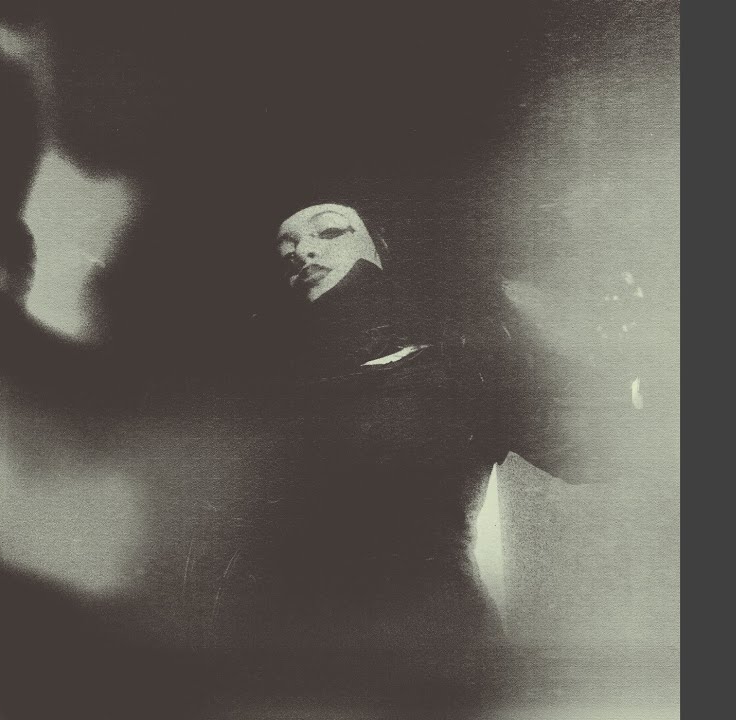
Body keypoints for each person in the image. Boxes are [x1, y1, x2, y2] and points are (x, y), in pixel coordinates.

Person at [206, 200, 633, 718]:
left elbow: (599, 447)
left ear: (381, 251)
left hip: (430, 661)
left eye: (331, 232)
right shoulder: (263, 397)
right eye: (286, 250)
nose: (303, 252)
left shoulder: (455, 366)